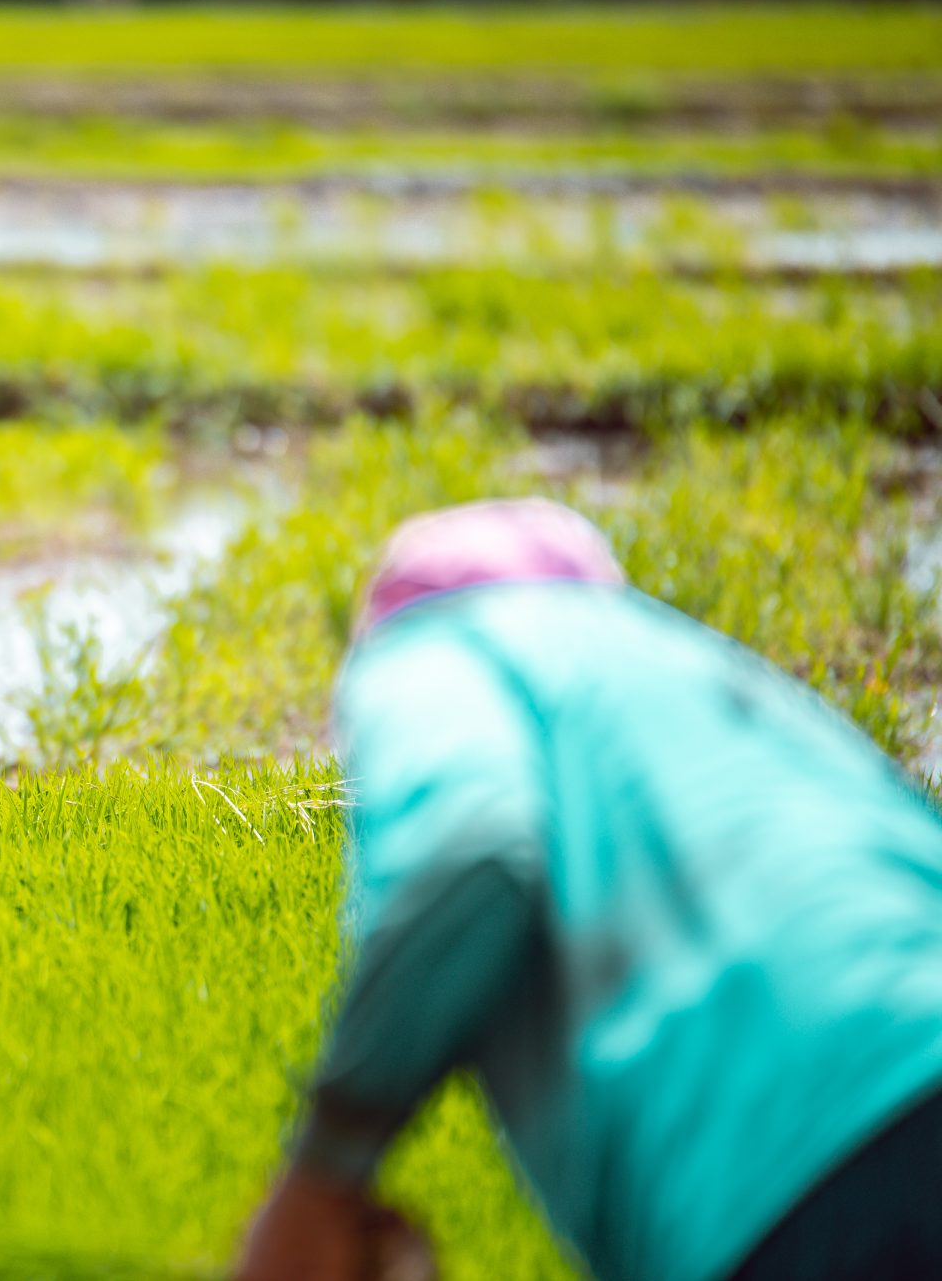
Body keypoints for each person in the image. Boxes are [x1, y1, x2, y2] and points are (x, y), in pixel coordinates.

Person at [235, 499, 942, 1281]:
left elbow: (472, 846)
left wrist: (321, 1173)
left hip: (801, 1156)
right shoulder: (706, 672)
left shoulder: (442, 646)